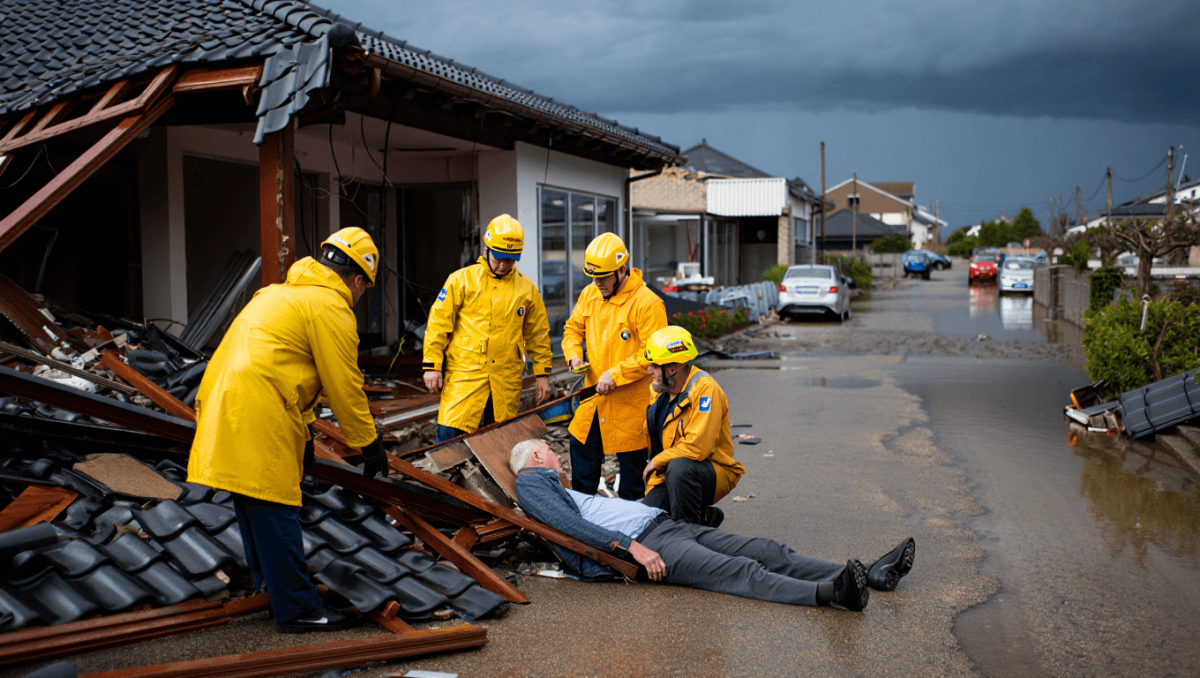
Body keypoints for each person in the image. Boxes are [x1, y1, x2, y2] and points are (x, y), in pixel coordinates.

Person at [188, 227, 389, 634]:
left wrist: (308, 433)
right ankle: (299, 608)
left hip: (225, 400)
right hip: (260, 406)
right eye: (364, 288)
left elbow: (288, 365)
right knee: (277, 503)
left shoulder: (280, 292)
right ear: (356, 279)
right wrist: (368, 442)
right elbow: (342, 383)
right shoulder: (330, 305)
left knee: (252, 501)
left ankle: (272, 588)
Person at [510, 439, 917, 611]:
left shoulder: (549, 483)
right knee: (739, 572)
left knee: (767, 551)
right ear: (535, 458)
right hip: (649, 544)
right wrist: (631, 549)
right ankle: (830, 594)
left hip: (666, 527)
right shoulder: (530, 483)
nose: (558, 457)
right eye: (551, 452)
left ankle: (872, 575)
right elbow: (568, 527)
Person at [422, 215, 553, 443]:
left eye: (510, 261)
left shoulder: (527, 289)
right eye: (498, 258)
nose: (503, 266)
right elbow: (438, 325)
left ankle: (492, 479)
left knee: (502, 439)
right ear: (486, 250)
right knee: (449, 436)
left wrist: (542, 375)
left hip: (505, 378)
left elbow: (537, 335)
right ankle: (446, 480)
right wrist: (432, 366)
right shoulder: (461, 280)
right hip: (466, 374)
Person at [563, 233, 667, 499]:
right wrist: (574, 356)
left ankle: (637, 530)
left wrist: (616, 374)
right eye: (593, 277)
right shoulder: (590, 294)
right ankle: (583, 526)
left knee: (634, 478)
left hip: (630, 404)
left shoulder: (647, 303)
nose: (597, 283)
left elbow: (654, 352)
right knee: (582, 459)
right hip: (594, 400)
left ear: (622, 270)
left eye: (603, 277)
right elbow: (572, 329)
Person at [640, 326, 743, 527]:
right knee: (646, 523)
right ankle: (705, 517)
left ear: (672, 368)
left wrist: (657, 461)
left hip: (708, 471)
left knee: (681, 467)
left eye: (654, 365)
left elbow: (698, 447)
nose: (649, 370)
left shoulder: (706, 390)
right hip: (668, 474)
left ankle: (691, 534)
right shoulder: (659, 390)